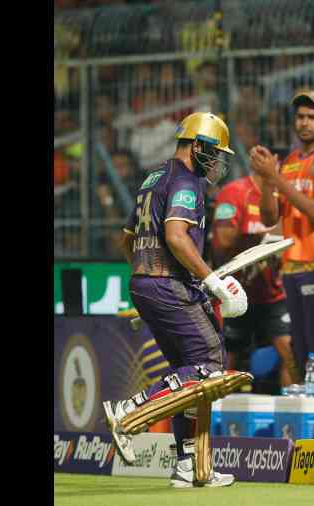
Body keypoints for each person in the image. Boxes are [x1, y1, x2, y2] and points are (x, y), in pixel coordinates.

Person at [102, 112, 245, 487]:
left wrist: (146, 275)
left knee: (190, 370)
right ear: (196, 146)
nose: (216, 164)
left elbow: (126, 240)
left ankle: (188, 465)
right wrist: (211, 280)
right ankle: (129, 410)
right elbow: (178, 237)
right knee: (210, 364)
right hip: (169, 287)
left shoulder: (153, 178)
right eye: (214, 154)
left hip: (146, 282)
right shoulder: (186, 181)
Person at [249, 90, 314, 389]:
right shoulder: (291, 160)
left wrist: (276, 177)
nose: (304, 123)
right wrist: (268, 181)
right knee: (299, 351)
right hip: (292, 265)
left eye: (312, 117)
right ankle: (305, 413)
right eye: (300, 117)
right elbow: (271, 218)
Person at [210, 167, 299, 393]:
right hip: (236, 292)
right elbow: (224, 237)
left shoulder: (285, 193)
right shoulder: (234, 192)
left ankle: (292, 411)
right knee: (229, 357)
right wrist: (261, 241)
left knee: (290, 353)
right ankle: (218, 412)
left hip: (273, 293)